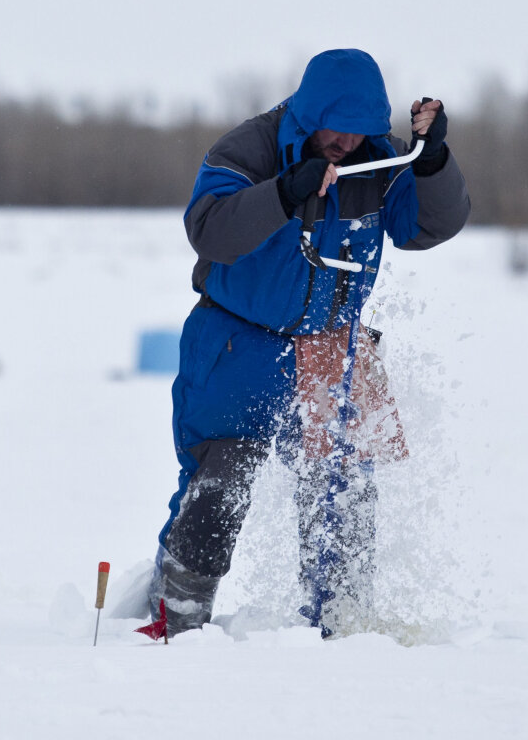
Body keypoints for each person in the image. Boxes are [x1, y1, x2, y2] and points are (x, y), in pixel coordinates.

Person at [147, 48, 470, 637]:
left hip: (336, 349)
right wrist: (281, 193)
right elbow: (210, 231)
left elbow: (426, 227)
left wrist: (433, 162)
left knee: (343, 490)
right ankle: (175, 622)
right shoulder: (248, 150)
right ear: (308, 113)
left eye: (361, 131)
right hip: (239, 343)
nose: (347, 142)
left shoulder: (380, 159)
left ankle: (339, 628)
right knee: (221, 482)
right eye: (336, 128)